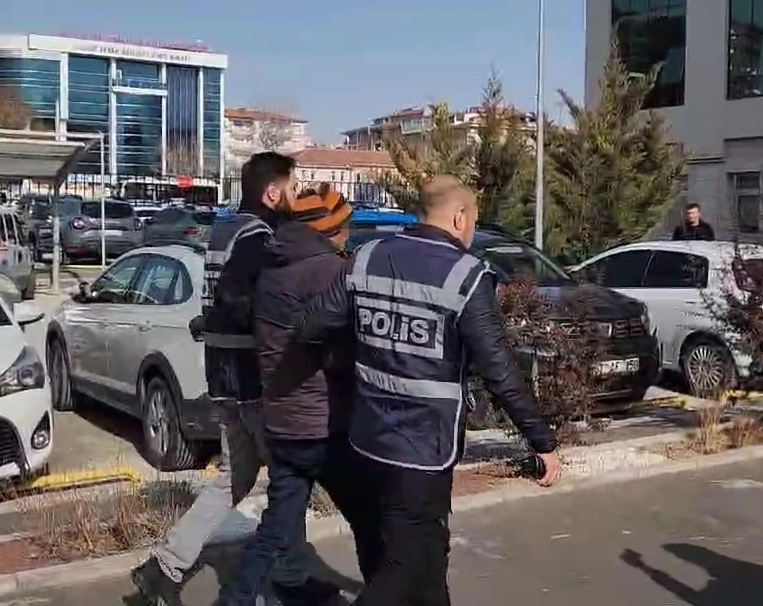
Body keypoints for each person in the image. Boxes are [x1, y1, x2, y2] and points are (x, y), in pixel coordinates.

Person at [293, 175, 562, 606]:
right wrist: (541, 440)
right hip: (422, 449)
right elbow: (499, 370)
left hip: (368, 439)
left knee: (427, 554)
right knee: (401, 568)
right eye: (471, 219)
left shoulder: (367, 257)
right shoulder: (467, 275)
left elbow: (310, 326)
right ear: (459, 217)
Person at [132, 152, 333, 606]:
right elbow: (241, 299)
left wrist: (214, 322)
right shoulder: (261, 237)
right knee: (289, 479)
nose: (297, 197)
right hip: (252, 378)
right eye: (294, 187)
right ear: (272, 192)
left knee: (233, 479)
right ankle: (278, 580)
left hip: (222, 373)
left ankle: (163, 567)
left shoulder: (225, 227)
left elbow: (220, 301)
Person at [220, 184, 382, 606]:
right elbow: (346, 345)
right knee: (369, 516)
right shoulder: (331, 272)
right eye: (346, 226)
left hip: (283, 418)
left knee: (277, 526)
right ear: (329, 229)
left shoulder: (274, 266)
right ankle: (387, 593)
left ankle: (237, 598)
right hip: (323, 422)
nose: (350, 234)